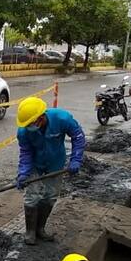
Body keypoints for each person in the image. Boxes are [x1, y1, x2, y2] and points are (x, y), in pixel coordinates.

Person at [15, 97, 86, 245]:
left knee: (50, 196)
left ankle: (40, 229)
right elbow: (26, 153)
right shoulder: (24, 132)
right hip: (35, 164)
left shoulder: (62, 118)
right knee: (31, 196)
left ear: (40, 118)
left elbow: (78, 137)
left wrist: (76, 159)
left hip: (55, 163)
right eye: (26, 125)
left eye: (30, 124)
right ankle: (30, 232)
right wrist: (23, 173)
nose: (28, 127)